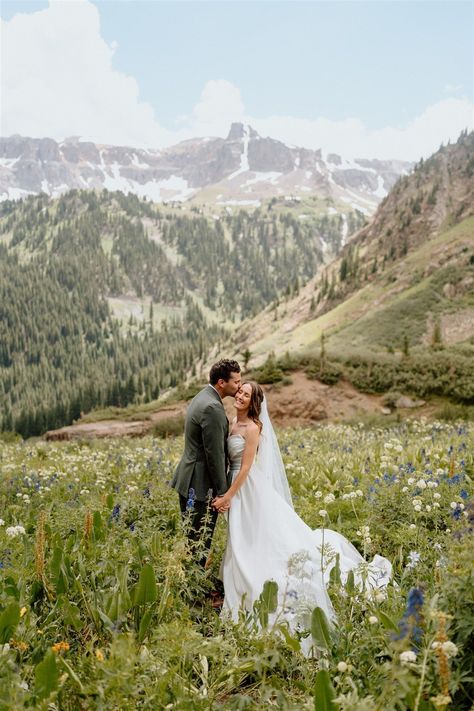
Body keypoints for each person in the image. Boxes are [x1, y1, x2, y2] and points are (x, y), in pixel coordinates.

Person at [212, 381, 392, 655]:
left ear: (253, 402)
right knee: (242, 539)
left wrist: (228, 496)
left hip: (246, 489)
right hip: (235, 488)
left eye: (246, 394)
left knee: (251, 539)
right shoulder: (231, 424)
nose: (240, 395)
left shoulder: (253, 428)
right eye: (239, 391)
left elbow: (246, 467)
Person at [171, 359, 241, 567]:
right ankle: (194, 585)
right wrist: (223, 492)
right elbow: (215, 454)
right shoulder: (212, 407)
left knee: (191, 536)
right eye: (236, 382)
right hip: (200, 483)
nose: (239, 386)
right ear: (221, 382)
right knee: (199, 539)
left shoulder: (202, 396)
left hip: (188, 477)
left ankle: (188, 579)